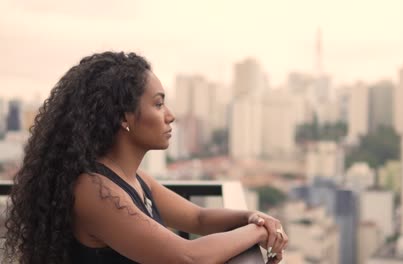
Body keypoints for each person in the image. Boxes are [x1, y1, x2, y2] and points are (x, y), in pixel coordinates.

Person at [3, 51, 288, 264]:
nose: (170, 115)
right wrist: (258, 232)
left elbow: (199, 218)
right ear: (124, 117)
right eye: (158, 103)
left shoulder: (134, 179)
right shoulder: (95, 191)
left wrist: (255, 216)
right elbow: (188, 257)